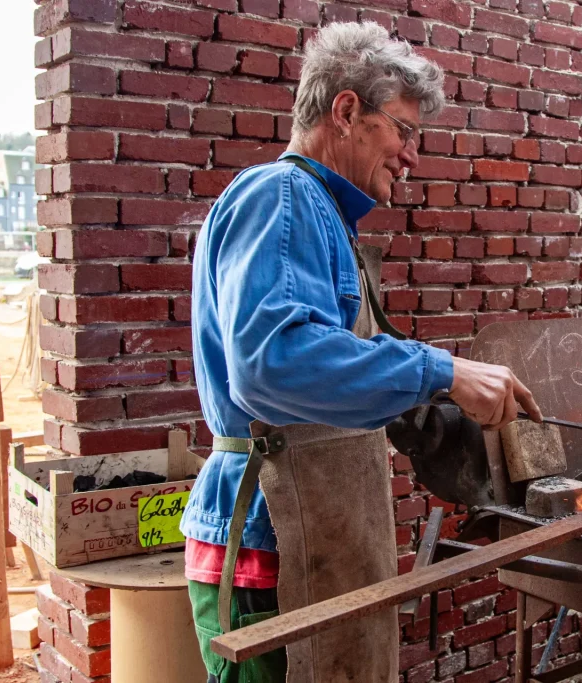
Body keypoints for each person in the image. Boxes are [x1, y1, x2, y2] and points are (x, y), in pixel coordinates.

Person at [180, 21, 542, 683]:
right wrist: (442, 371)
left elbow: (332, 371)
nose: (411, 155)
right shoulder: (282, 198)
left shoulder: (324, 218)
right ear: (346, 111)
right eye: (403, 130)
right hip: (273, 539)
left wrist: (429, 408)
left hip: (315, 534)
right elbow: (272, 363)